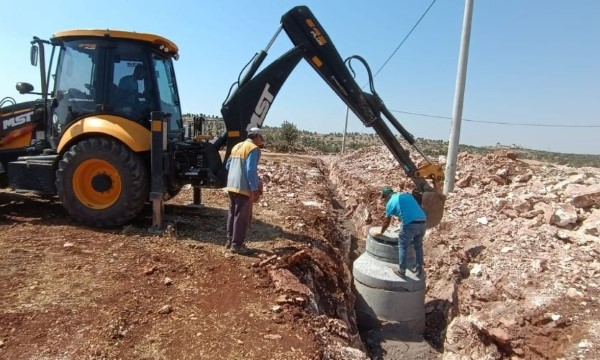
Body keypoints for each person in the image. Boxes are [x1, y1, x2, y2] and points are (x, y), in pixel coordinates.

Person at [225, 127, 265, 255]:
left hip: (231, 185)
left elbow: (227, 165)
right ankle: (237, 245)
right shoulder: (253, 149)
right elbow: (250, 170)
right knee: (241, 216)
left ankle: (229, 241)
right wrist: (254, 188)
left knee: (232, 214)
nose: (262, 141)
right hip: (243, 187)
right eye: (261, 138)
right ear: (257, 137)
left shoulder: (237, 146)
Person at [373, 186, 427, 278]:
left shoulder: (390, 203)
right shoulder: (406, 195)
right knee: (418, 247)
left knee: (402, 246)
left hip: (410, 224)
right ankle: (419, 269)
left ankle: (402, 271)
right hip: (423, 221)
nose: (385, 200)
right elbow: (411, 208)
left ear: (386, 196)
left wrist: (381, 231)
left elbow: (387, 221)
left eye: (384, 198)